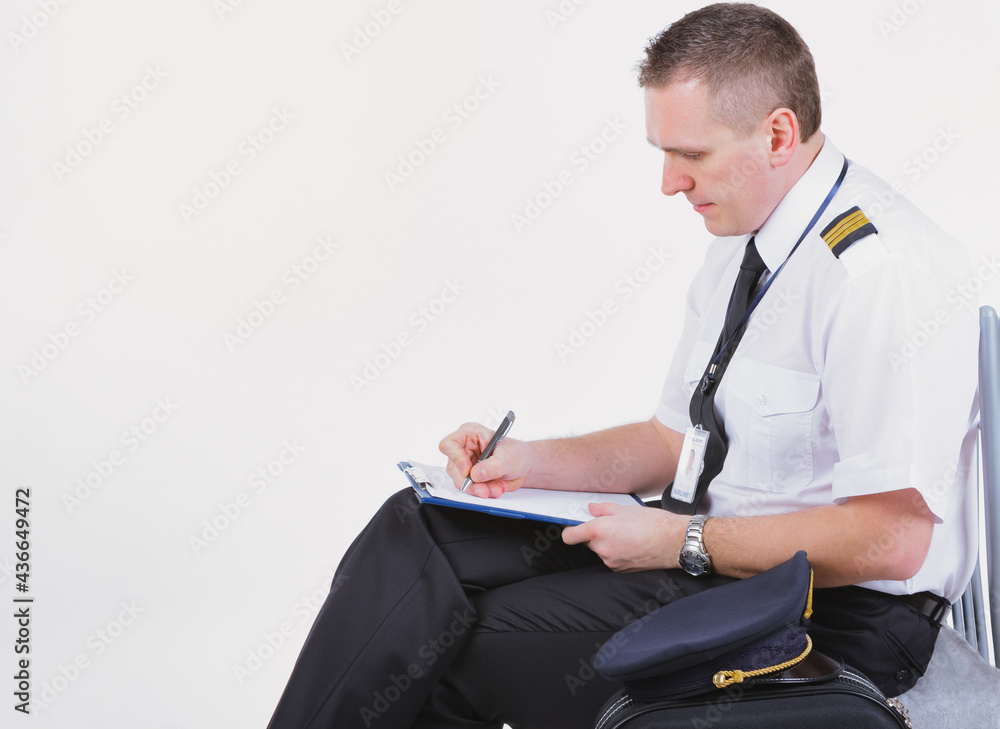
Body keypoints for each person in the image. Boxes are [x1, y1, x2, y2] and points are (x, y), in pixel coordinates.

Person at [266, 4, 980, 728]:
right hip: (710, 554)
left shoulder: (877, 274)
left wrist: (683, 542)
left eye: (691, 154)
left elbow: (892, 538)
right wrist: (527, 461)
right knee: (416, 527)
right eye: (663, 153)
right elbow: (672, 443)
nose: (669, 182)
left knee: (447, 643)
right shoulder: (746, 239)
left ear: (777, 134)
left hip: (822, 612)